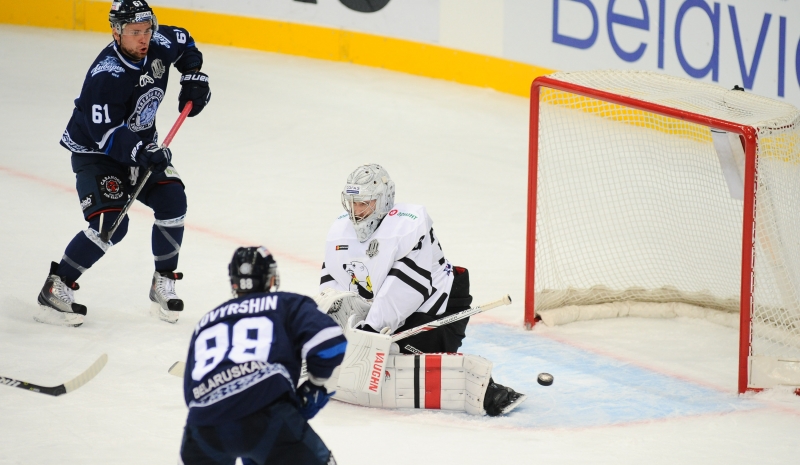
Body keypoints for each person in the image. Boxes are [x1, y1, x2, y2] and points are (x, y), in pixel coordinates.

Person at [35, 0, 211, 327]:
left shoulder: (158, 42)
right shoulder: (106, 75)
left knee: (173, 200)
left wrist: (194, 75)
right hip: (98, 154)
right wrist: (144, 153)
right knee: (111, 225)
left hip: (141, 147)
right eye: (134, 32)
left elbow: (185, 42)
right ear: (116, 32)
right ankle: (56, 285)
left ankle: (163, 281)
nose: (144, 38)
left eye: (147, 30)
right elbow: (106, 135)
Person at [316, 163, 525, 416]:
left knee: (400, 360)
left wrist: (369, 332)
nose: (356, 211)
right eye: (352, 203)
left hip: (437, 307)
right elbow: (334, 285)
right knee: (351, 352)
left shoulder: (409, 225)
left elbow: (405, 290)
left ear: (382, 201)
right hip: (386, 314)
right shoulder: (340, 231)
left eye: (364, 203)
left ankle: (490, 391)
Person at [180, 246, 345, 465]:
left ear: (234, 282)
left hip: (202, 429)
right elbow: (330, 343)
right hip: (266, 419)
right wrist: (314, 385)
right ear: (270, 278)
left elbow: (190, 394)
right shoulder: (285, 304)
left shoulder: (206, 322)